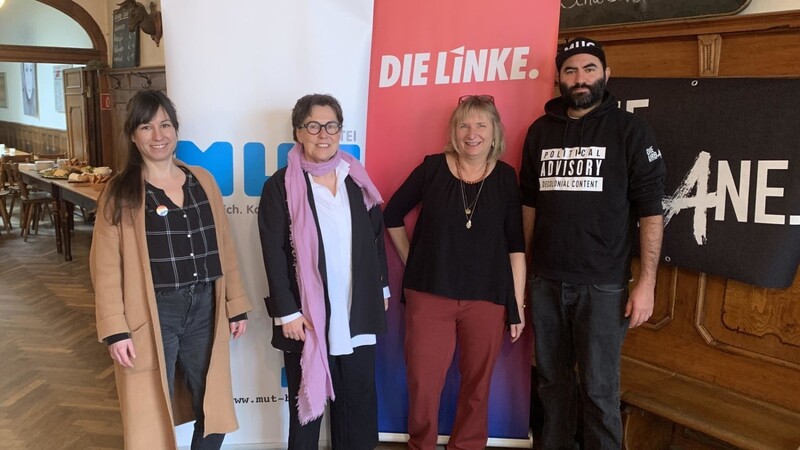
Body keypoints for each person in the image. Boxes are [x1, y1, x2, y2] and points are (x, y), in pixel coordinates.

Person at [519, 37, 666, 449]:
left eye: (588, 69)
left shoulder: (630, 131)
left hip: (603, 286)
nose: (579, 79)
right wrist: (525, 272)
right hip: (545, 281)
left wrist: (647, 283)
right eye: (570, 70)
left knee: (600, 392)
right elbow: (528, 205)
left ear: (605, 75)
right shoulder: (539, 132)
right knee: (552, 384)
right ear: (558, 78)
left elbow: (651, 211)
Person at [90, 89, 252, 450]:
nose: (158, 135)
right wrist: (116, 331)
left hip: (205, 309)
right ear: (133, 135)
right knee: (149, 413)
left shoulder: (202, 181)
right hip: (151, 313)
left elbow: (223, 247)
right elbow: (105, 268)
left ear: (176, 130)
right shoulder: (120, 192)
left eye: (165, 125)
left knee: (213, 407)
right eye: (146, 127)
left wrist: (235, 304)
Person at [383, 95, 526, 450]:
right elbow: (390, 215)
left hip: (487, 298)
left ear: (495, 134)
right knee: (424, 381)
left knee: (478, 384)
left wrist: (517, 305)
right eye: (464, 124)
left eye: (481, 125)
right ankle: (422, 444)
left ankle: (468, 444)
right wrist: (413, 257)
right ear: (454, 131)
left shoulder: (507, 177)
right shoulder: (431, 168)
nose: (472, 133)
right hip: (430, 293)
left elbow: (516, 246)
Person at [257, 94, 389, 450]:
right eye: (313, 126)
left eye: (331, 125)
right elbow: (273, 254)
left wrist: (382, 289)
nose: (323, 134)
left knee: (358, 401)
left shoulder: (355, 178)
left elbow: (376, 240)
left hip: (356, 309)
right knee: (308, 410)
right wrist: (288, 311)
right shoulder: (280, 186)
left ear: (340, 131)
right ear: (298, 132)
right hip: (307, 318)